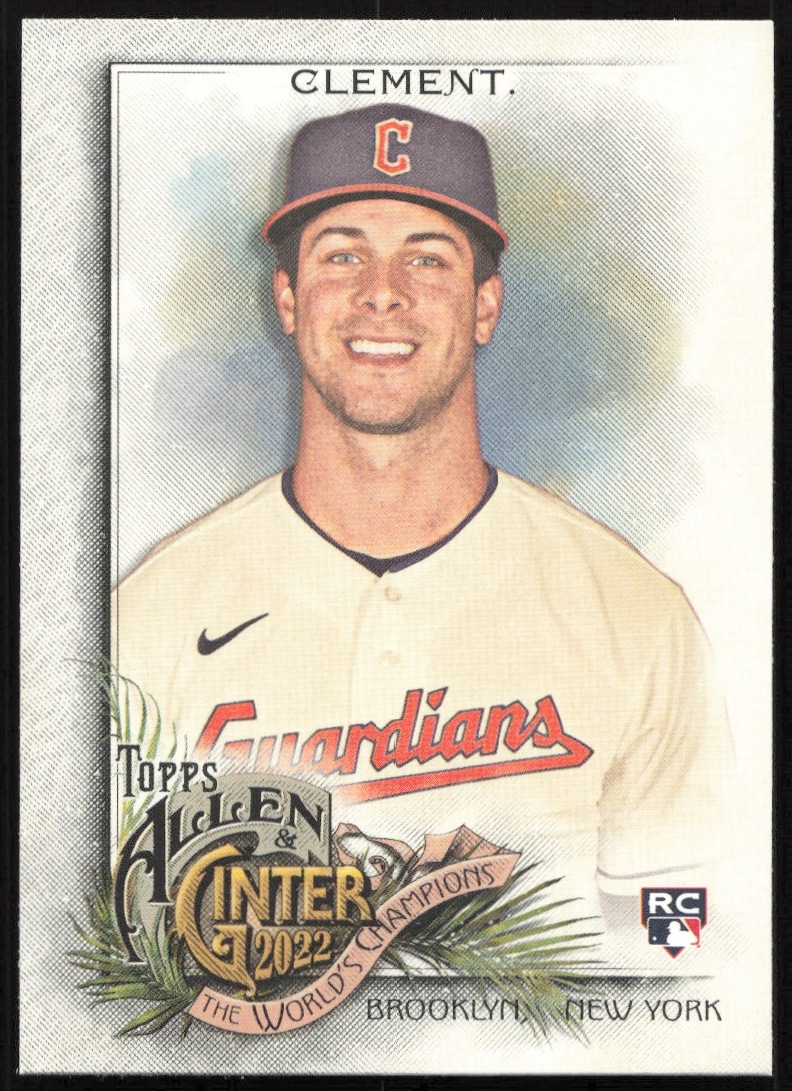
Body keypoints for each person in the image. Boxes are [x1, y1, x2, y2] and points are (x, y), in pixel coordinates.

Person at [112, 104, 733, 933]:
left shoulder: (638, 617)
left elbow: (674, 957)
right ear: (288, 298)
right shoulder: (150, 618)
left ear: (485, 306)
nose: (382, 292)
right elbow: (115, 968)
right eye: (342, 255)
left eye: (427, 258)